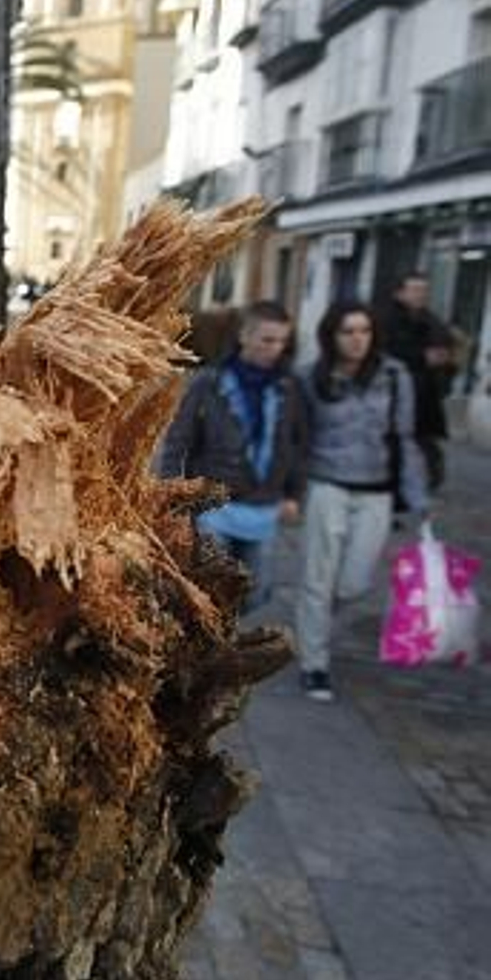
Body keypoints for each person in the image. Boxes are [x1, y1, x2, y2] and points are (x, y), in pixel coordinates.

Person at [295, 301, 428, 703]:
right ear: (331, 336)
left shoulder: (393, 375)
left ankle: (311, 625)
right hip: (325, 484)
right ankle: (313, 663)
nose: (357, 339)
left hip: (376, 491)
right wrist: (289, 490)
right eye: (348, 331)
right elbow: (297, 436)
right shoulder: (310, 377)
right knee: (318, 579)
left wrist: (418, 495)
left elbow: (405, 437)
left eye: (364, 331)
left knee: (354, 583)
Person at [159, 301, 306, 612]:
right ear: (245, 336)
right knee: (212, 586)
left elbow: (296, 443)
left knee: (256, 593)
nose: (275, 348)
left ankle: (223, 635)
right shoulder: (208, 383)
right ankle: (208, 648)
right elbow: (177, 442)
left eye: (282, 341)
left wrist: (294, 494)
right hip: (215, 504)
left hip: (263, 505)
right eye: (268, 340)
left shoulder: (289, 386)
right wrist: (170, 496)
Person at [377, 273, 453, 491]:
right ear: (400, 292)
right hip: (394, 391)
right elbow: (385, 352)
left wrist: (445, 361)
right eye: (415, 289)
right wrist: (422, 357)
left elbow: (444, 343)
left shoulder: (430, 319)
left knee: (423, 441)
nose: (421, 294)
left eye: (424, 290)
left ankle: (421, 482)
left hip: (426, 394)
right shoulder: (386, 319)